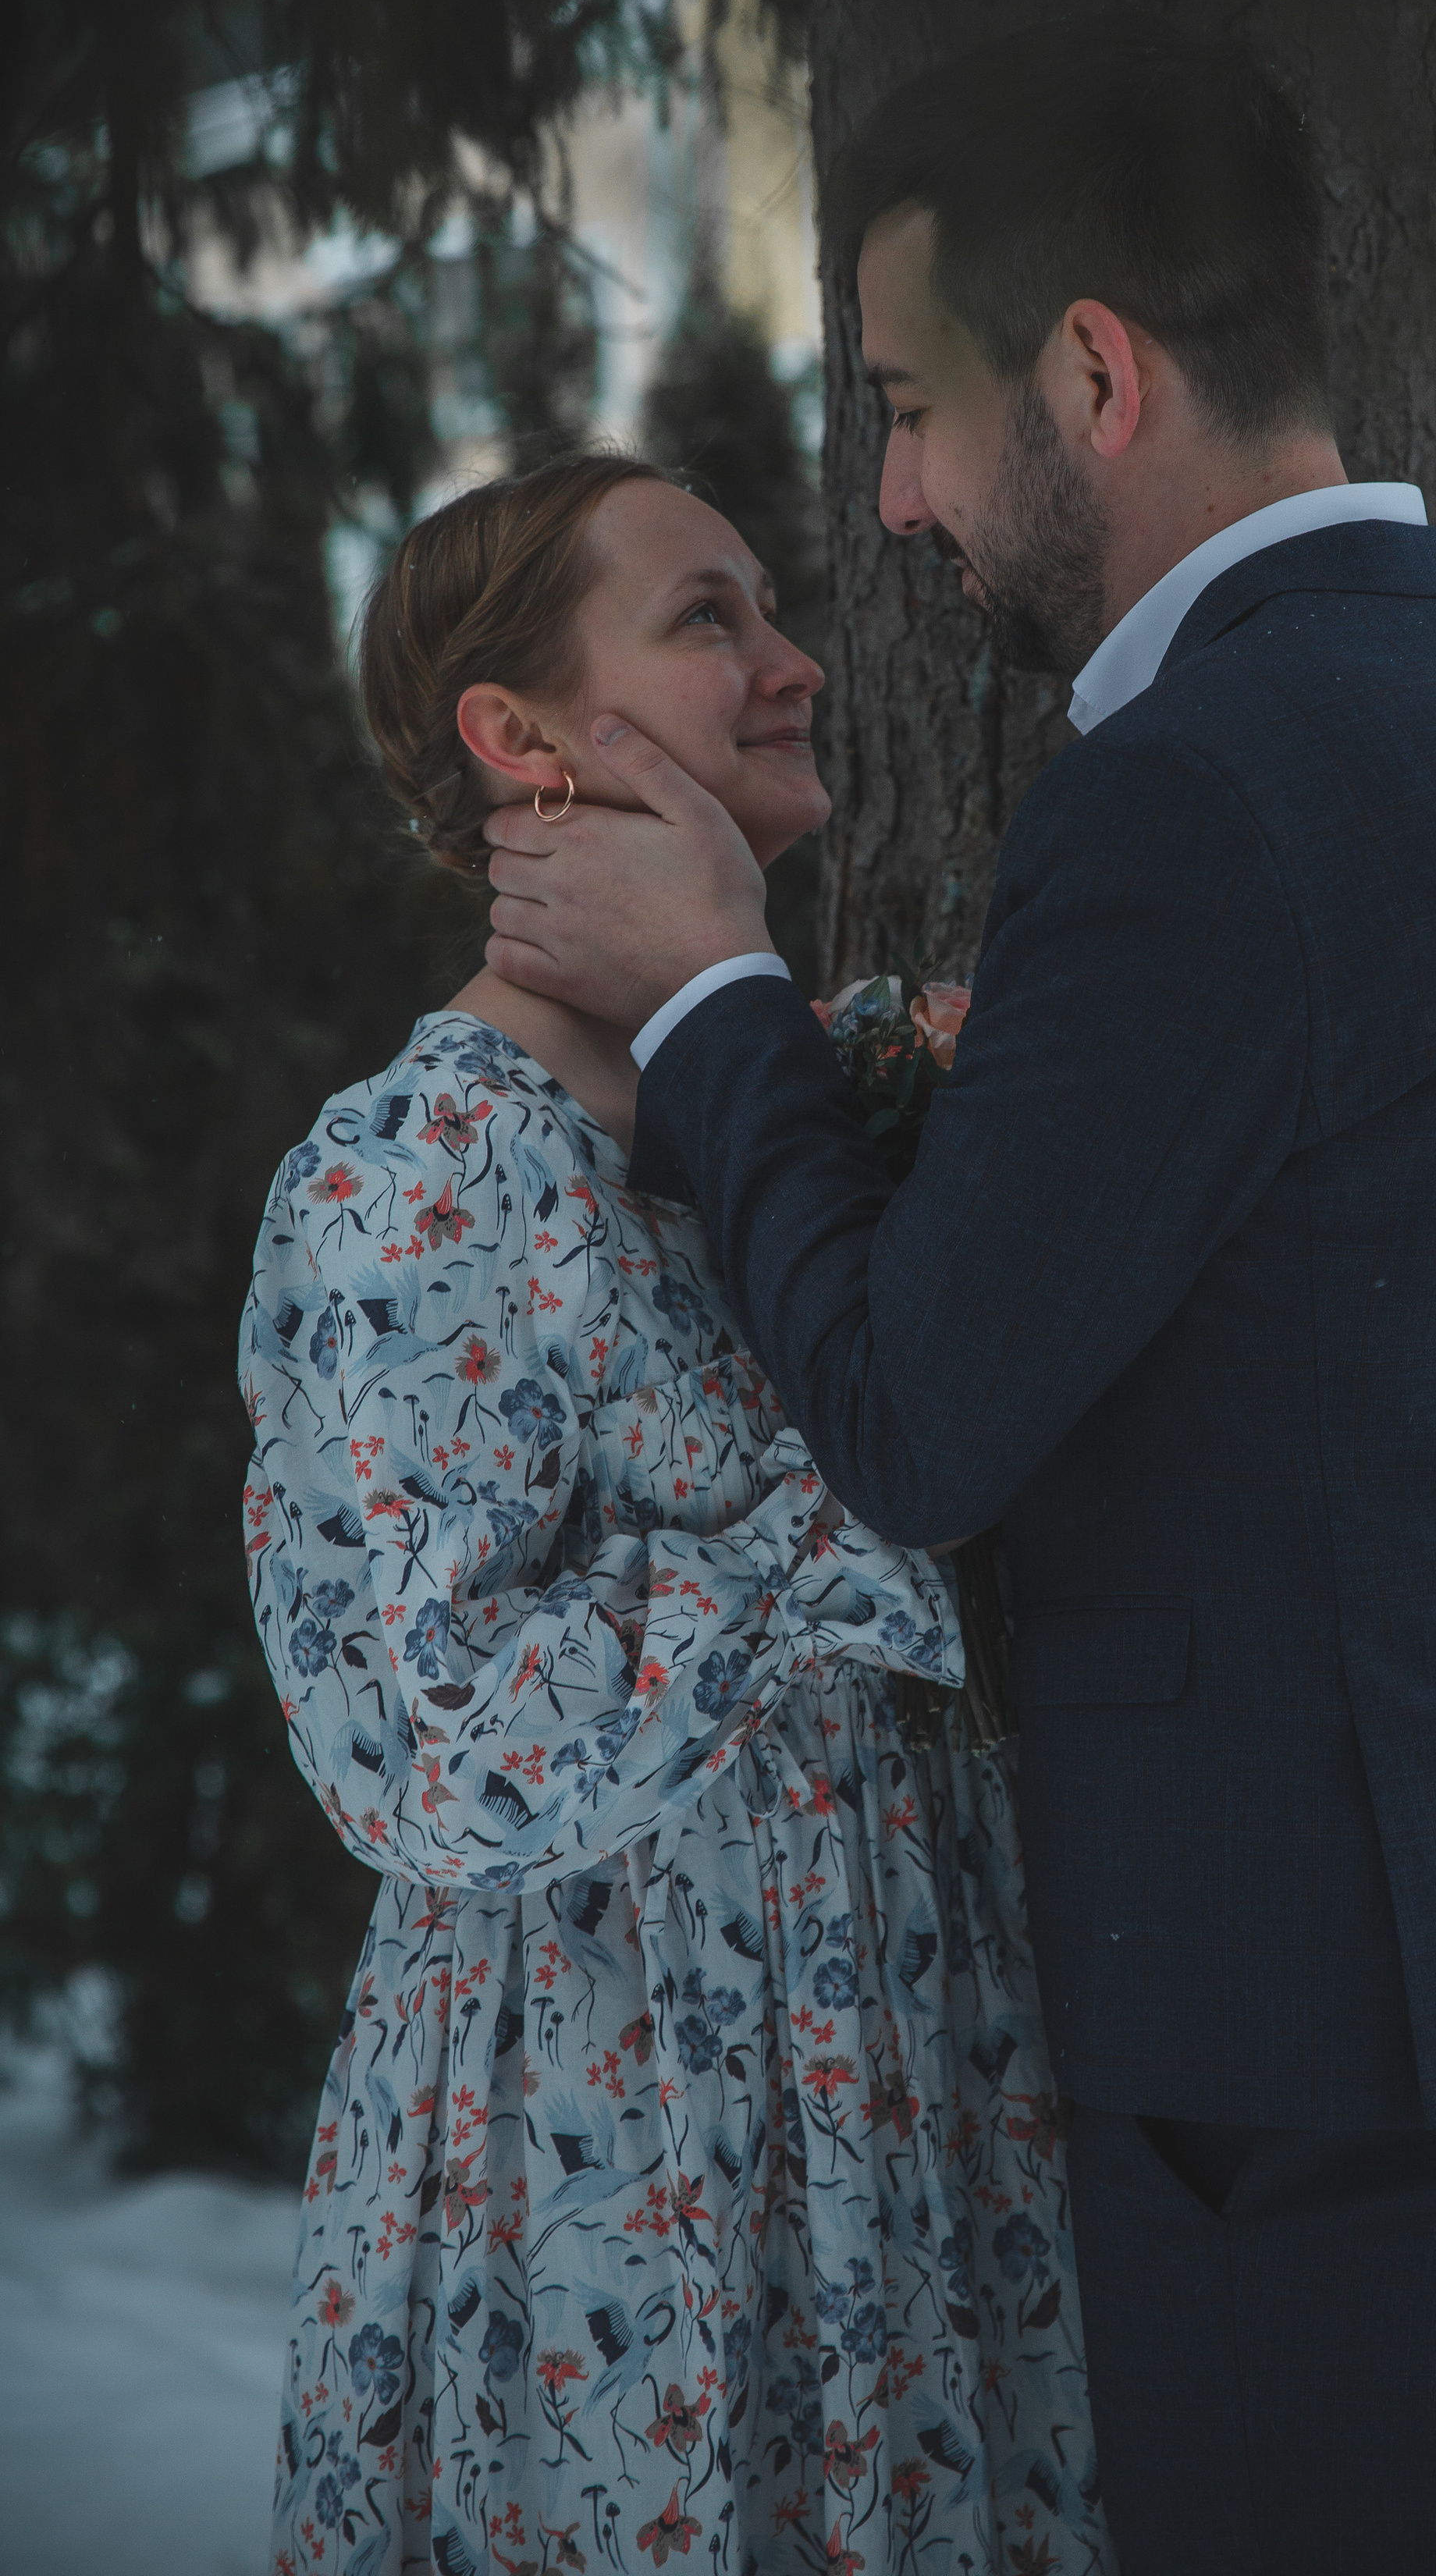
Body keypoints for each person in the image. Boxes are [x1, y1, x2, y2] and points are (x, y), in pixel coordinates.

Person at [479, 19, 1436, 2575]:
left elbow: (923, 1419)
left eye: (910, 411)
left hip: (1338, 2054)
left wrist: (722, 992)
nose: (893, 498)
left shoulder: (1190, 791)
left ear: (1092, 373)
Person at [238, 453, 1111, 2576]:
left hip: (909, 2095)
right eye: (709, 617)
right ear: (520, 741)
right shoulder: (417, 1174)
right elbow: (423, 1742)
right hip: (617, 2150)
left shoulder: (799, 1111)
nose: (798, 663)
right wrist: (838, 1545)